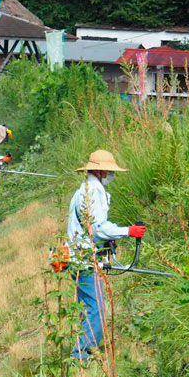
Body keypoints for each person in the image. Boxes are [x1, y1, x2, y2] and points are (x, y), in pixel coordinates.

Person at [67, 150, 146, 361]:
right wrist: (128, 231)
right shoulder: (93, 191)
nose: (112, 175)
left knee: (88, 309)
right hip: (84, 260)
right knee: (97, 310)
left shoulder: (85, 189)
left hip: (78, 257)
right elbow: (98, 228)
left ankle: (82, 353)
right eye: (110, 171)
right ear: (101, 171)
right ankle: (80, 357)